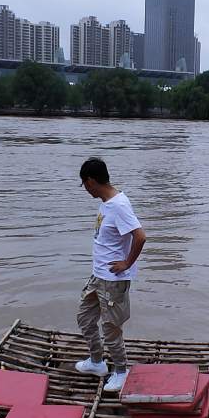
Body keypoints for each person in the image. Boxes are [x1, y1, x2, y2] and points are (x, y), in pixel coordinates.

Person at [74, 157, 147, 392]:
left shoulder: (119, 205)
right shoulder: (106, 203)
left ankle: (121, 372)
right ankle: (96, 362)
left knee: (111, 328)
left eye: (84, 184)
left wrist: (126, 263)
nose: (85, 189)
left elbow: (140, 236)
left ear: (92, 181)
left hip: (114, 282)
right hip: (98, 277)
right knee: (85, 318)